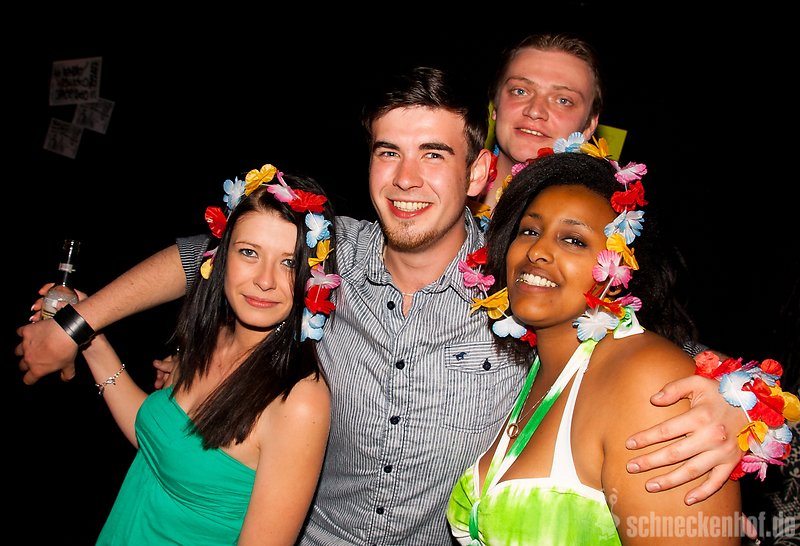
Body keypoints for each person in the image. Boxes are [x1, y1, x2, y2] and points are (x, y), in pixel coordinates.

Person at [17, 67, 746, 545]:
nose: (405, 178)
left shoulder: (522, 279)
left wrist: (729, 405)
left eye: (434, 154)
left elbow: (632, 346)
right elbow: (201, 256)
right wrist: (77, 324)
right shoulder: (330, 253)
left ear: (478, 172)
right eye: (387, 151)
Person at [448, 147, 743, 544]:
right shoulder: (537, 367)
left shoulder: (647, 380)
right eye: (529, 231)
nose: (536, 251)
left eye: (573, 240)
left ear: (617, 271)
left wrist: (745, 400)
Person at [70, 168, 337, 545]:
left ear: (312, 277)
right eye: (249, 252)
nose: (265, 280)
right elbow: (164, 448)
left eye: (289, 262)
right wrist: (91, 341)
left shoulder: (298, 401)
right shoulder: (212, 339)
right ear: (222, 255)